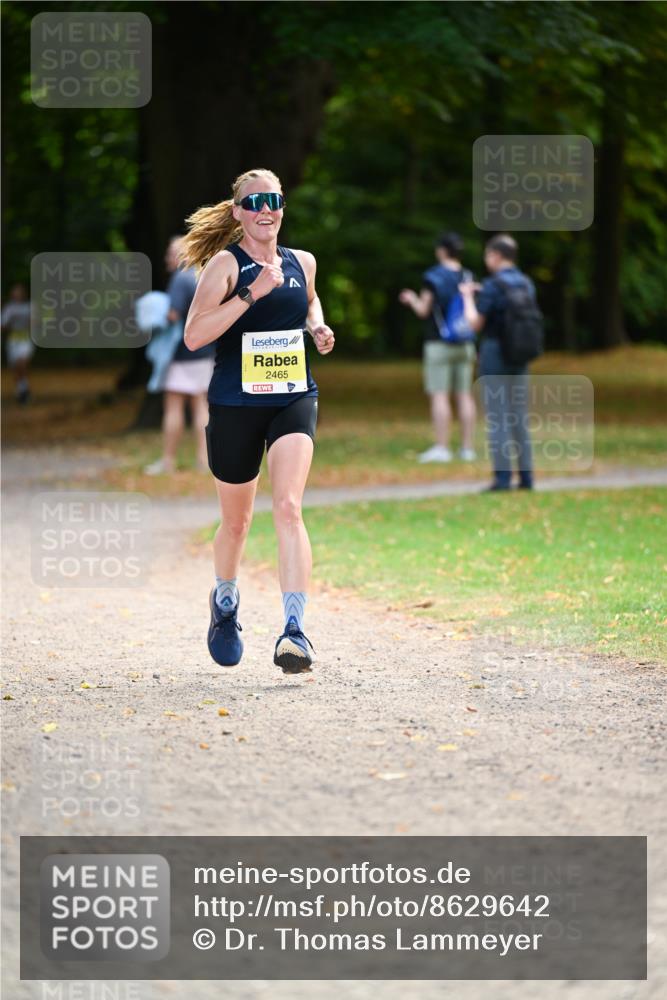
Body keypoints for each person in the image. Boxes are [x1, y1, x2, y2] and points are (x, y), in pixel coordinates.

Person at [180, 168, 335, 672]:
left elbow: (309, 299)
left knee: (289, 506)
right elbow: (194, 335)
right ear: (238, 213)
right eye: (255, 202)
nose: (265, 209)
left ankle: (295, 631)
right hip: (235, 402)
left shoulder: (302, 261)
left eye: (274, 200)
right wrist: (251, 295)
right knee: (238, 521)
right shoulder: (226, 266)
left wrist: (318, 326)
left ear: (283, 206)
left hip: (292, 395)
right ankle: (224, 603)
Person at [459, 234, 535, 491]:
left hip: (495, 354)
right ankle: (527, 478)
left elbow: (475, 323)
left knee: (498, 417)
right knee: (519, 417)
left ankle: (502, 479)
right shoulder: (526, 283)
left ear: (496, 255)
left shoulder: (493, 285)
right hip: (520, 355)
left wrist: (468, 297)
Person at [399, 232, 477, 463]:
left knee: (440, 395)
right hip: (466, 342)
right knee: (464, 395)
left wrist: (412, 299)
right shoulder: (468, 275)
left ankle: (442, 448)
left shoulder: (433, 276)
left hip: (439, 344)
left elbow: (424, 310)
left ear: (442, 250)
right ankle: (467, 448)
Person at [144, 237, 215, 475]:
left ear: (183, 255)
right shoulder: (200, 277)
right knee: (201, 406)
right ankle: (203, 460)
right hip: (205, 350)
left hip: (181, 354)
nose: (167, 259)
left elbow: (173, 316)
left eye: (170, 253)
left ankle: (167, 461)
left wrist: (152, 319)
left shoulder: (179, 279)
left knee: (173, 407)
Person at [1, 283, 35, 404]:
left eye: (19, 292)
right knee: (16, 369)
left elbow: (36, 322)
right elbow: (3, 325)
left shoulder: (29, 307)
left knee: (22, 363)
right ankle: (22, 390)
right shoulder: (9, 308)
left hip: (25, 339)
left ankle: (23, 391)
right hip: (13, 340)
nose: (16, 294)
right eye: (15, 292)